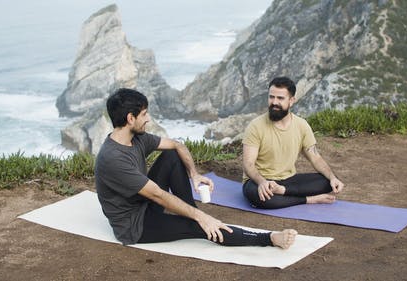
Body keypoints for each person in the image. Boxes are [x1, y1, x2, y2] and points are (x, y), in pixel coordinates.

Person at [95, 88, 297, 249]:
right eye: (144, 114)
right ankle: (269, 239)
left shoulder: (136, 138)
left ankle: (192, 211)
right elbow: (158, 195)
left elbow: (177, 145)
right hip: (134, 226)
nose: (148, 119)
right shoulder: (113, 159)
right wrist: (201, 217)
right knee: (199, 225)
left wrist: (194, 175)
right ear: (131, 118)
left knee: (171, 155)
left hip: (144, 202)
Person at [242, 77, 345, 209]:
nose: (274, 102)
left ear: (292, 101)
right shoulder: (255, 126)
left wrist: (332, 177)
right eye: (271, 97)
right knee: (262, 198)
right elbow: (248, 164)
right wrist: (262, 182)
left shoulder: (302, 125)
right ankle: (308, 199)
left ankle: (283, 192)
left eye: (280, 98)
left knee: (327, 181)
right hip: (259, 181)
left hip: (288, 181)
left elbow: (315, 157)